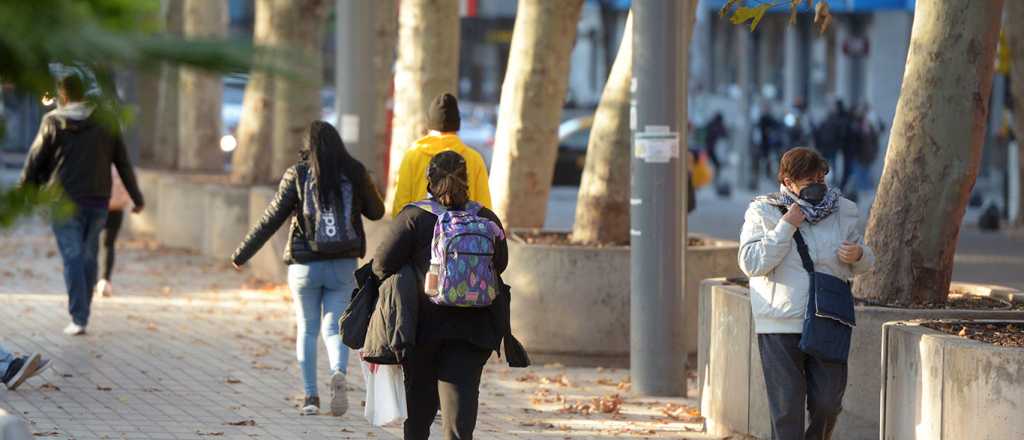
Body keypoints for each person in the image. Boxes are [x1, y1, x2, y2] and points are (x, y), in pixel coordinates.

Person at [232, 121, 384, 416]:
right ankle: (338, 371)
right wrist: (366, 182)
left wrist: (242, 254)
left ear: (308, 146)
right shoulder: (354, 171)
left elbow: (272, 218)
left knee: (307, 328)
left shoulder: (298, 174)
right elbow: (377, 212)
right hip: (343, 264)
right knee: (333, 326)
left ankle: (311, 398)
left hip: (304, 265)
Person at [738, 147, 875, 440]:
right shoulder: (763, 211)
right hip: (779, 321)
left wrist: (859, 254)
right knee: (787, 410)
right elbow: (752, 263)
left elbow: (866, 259)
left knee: (828, 403)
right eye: (807, 180)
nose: (816, 185)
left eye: (820, 178)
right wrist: (786, 226)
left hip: (828, 317)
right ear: (788, 182)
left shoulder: (843, 210)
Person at [372, 151, 509, 439]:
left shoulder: (414, 217)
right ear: (467, 181)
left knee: (419, 419)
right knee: (458, 426)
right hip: (474, 330)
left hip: (423, 330)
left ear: (429, 181)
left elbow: (381, 264)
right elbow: (501, 264)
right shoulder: (486, 217)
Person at [20, 74, 144, 336]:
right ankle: (82, 313)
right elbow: (122, 163)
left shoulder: (53, 121)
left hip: (63, 201)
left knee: (73, 257)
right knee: (87, 256)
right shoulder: (107, 124)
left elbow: (35, 160)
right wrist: (137, 197)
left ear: (63, 95)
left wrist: (25, 191)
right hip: (98, 201)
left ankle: (79, 316)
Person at [390, 93, 492, 216]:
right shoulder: (474, 159)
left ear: (430, 123)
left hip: (420, 229)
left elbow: (401, 203)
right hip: (464, 233)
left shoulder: (413, 155)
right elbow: (484, 207)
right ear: (457, 124)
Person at [95, 165, 133, 298]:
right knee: (108, 244)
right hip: (115, 207)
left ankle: (93, 279)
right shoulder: (118, 161)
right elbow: (129, 180)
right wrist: (136, 200)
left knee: (92, 242)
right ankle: (104, 280)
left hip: (94, 206)